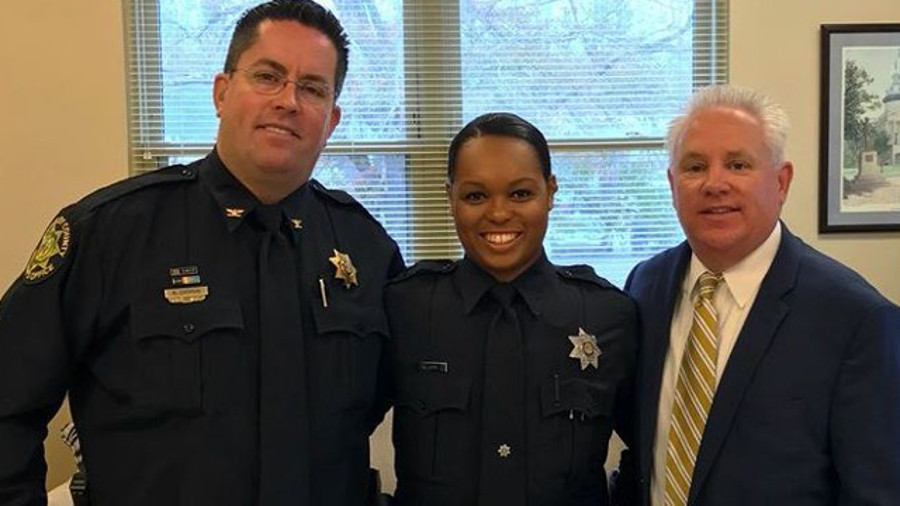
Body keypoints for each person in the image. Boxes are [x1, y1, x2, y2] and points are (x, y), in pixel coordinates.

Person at [0, 1, 402, 505]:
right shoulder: (111, 234)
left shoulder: (366, 250)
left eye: (313, 88)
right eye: (268, 76)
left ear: (332, 118)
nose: (289, 101)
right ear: (221, 91)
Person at [624, 85, 900, 506]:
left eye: (737, 164)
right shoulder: (646, 286)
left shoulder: (856, 319)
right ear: (672, 183)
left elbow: (876, 492)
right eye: (695, 167)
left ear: (781, 181)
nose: (715, 183)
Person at [385, 112, 637, 506]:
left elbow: (652, 454)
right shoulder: (405, 307)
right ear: (449, 196)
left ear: (550, 192)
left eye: (520, 193)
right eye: (475, 195)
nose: (499, 213)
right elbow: (338, 427)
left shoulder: (608, 315)